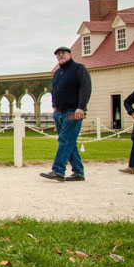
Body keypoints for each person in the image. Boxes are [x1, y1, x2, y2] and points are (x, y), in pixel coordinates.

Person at [40, 46, 91, 182]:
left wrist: (81, 107)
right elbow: (54, 90)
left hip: (73, 111)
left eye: (63, 53)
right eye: (58, 54)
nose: (61, 55)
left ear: (69, 54)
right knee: (69, 142)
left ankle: (58, 170)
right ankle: (78, 172)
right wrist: (54, 107)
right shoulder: (58, 73)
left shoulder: (79, 69)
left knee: (65, 140)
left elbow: (85, 88)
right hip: (60, 111)